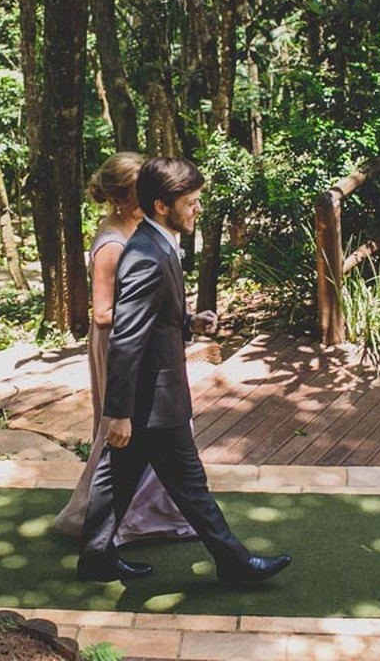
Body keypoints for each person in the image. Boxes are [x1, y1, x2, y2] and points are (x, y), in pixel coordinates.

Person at [77, 156, 292, 585]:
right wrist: (117, 412)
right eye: (191, 202)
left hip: (150, 396)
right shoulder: (145, 255)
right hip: (152, 399)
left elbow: (152, 318)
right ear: (161, 205)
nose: (197, 209)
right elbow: (125, 337)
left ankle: (97, 557)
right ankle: (235, 563)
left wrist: (189, 321)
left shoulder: (157, 243)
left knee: (115, 475)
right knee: (188, 483)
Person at [55, 152, 195, 543]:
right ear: (124, 198)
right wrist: (148, 311)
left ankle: (152, 514)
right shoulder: (112, 243)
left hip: (144, 339)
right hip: (119, 343)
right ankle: (98, 517)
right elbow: (101, 313)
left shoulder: (145, 232)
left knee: (148, 432)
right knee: (121, 427)